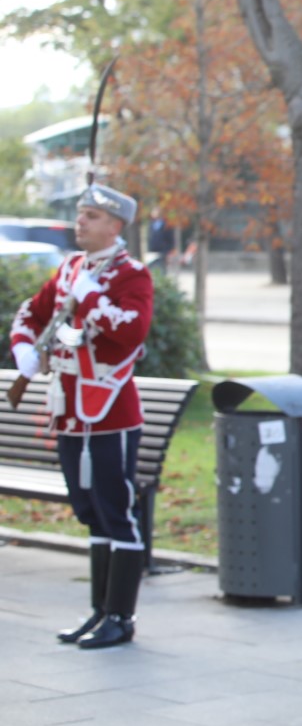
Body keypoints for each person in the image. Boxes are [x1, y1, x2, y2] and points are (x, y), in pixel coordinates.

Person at [11, 184, 154, 649]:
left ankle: (121, 616)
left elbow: (131, 332)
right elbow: (31, 313)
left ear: (115, 226)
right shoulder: (71, 267)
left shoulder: (131, 275)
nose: (81, 223)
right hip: (70, 410)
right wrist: (23, 353)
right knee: (90, 512)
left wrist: (91, 298)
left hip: (109, 410)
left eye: (92, 216)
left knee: (117, 511)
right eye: (81, 214)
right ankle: (98, 611)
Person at [147, 208, 176, 275]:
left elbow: (170, 240)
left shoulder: (166, 225)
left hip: (163, 252)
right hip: (153, 252)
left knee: (162, 271)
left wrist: (168, 252)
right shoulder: (152, 224)